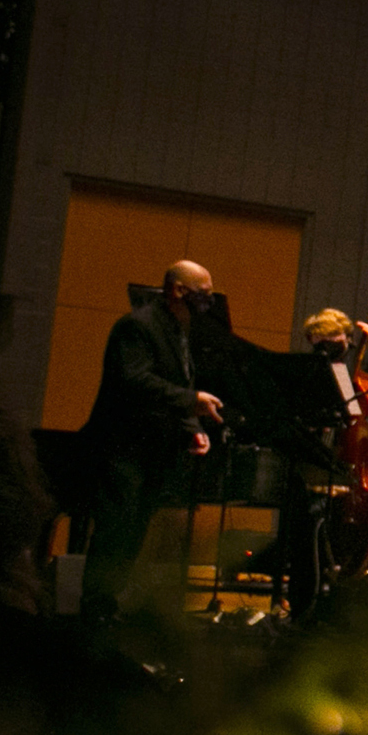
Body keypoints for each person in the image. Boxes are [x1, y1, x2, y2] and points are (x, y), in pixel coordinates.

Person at [79, 260, 228, 610]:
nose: (208, 302)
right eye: (203, 295)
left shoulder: (180, 330)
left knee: (133, 532)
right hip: (122, 447)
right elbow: (135, 381)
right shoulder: (137, 326)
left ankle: (108, 603)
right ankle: (94, 608)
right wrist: (192, 402)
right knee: (115, 531)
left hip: (151, 450)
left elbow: (182, 380)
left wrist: (192, 429)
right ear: (178, 291)